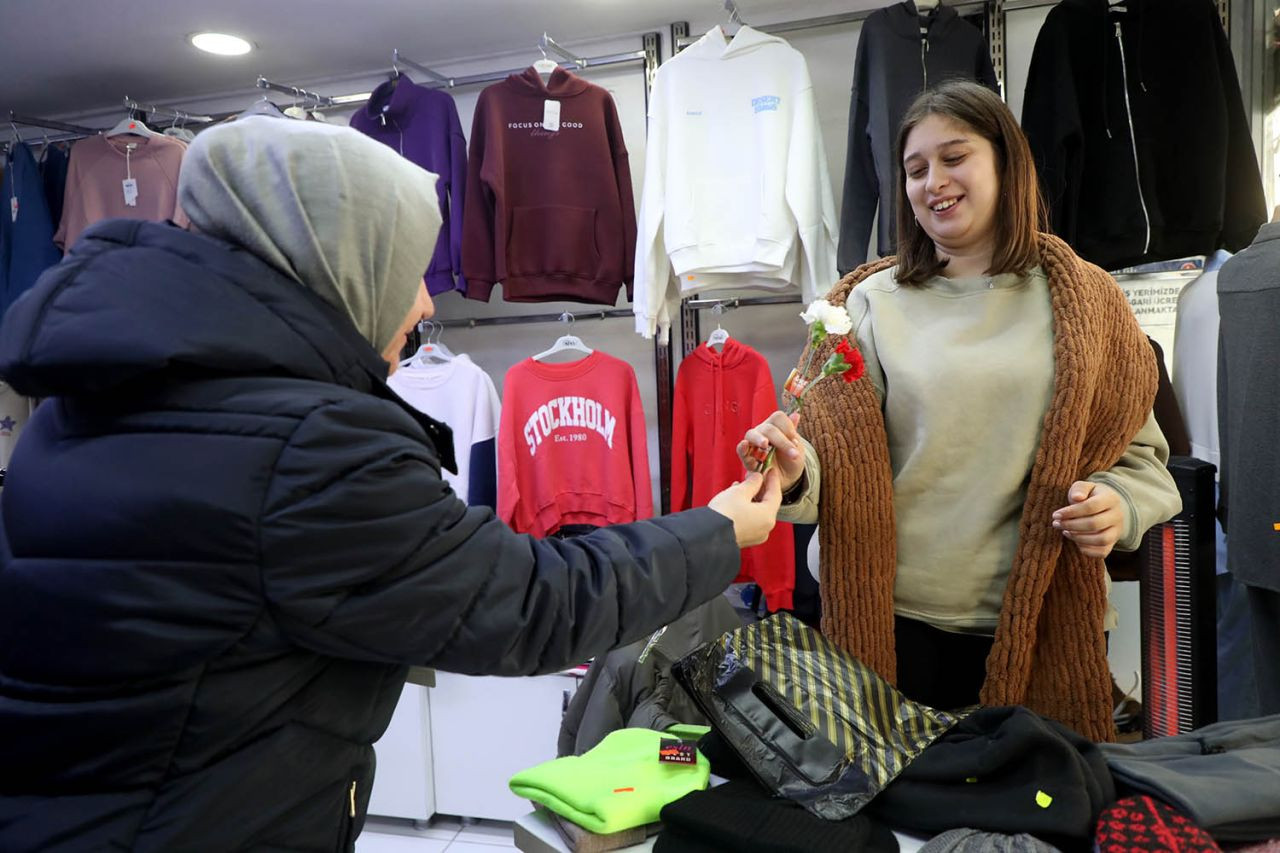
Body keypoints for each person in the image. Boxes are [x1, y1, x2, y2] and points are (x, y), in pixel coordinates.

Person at [0, 117, 781, 852]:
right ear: (339, 264)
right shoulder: (308, 444)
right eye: (407, 268)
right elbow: (530, 601)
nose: (426, 301)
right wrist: (717, 530)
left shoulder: (82, 405)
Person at [739, 81, 1181, 742]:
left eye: (954, 158)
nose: (933, 182)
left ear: (1006, 161)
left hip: (1039, 623)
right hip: (889, 627)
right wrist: (795, 471)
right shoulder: (864, 306)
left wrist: (1117, 505)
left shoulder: (1089, 301)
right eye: (916, 169)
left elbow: (1142, 458)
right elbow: (827, 479)